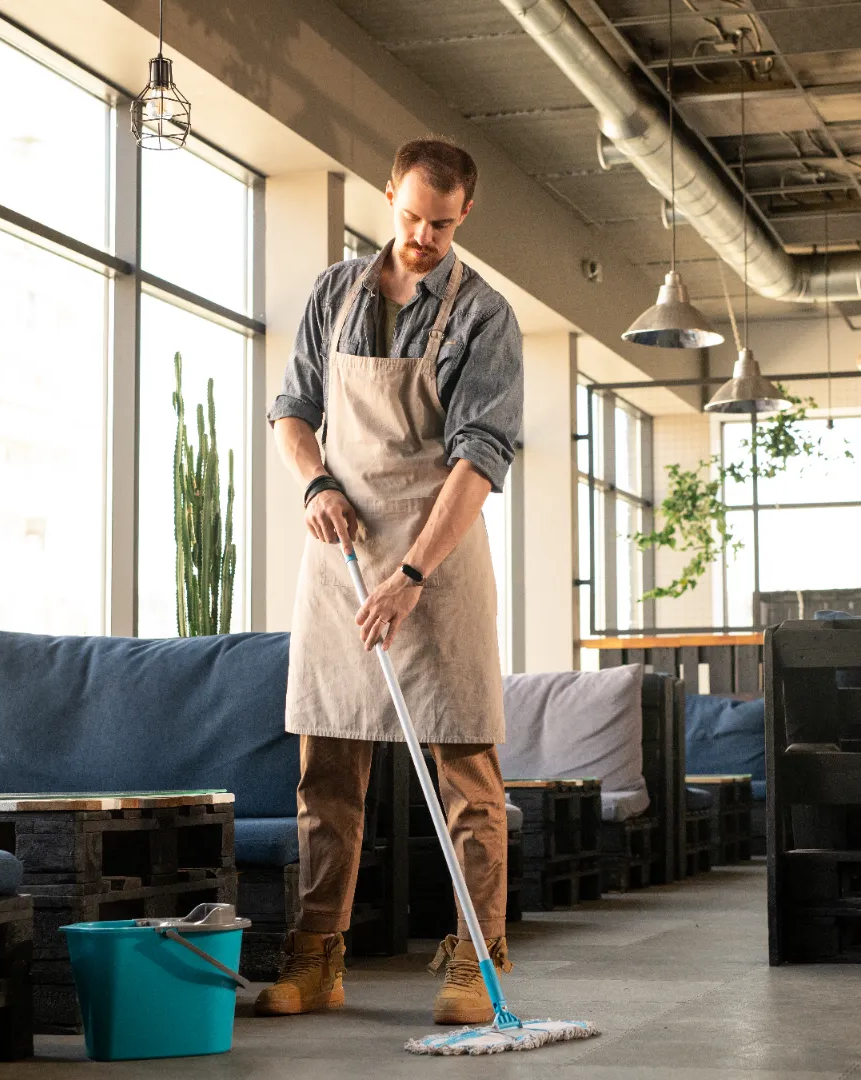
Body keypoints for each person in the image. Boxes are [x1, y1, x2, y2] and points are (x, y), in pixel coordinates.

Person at [258, 136, 523, 1022]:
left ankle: (474, 964)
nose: (423, 236)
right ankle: (315, 959)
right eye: (410, 215)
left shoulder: (485, 315)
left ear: (466, 215)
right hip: (339, 560)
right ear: (388, 196)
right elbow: (295, 410)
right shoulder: (336, 293)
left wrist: (412, 571)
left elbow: (479, 459)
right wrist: (316, 482)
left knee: (466, 770)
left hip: (436, 564)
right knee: (326, 768)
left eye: (442, 223)